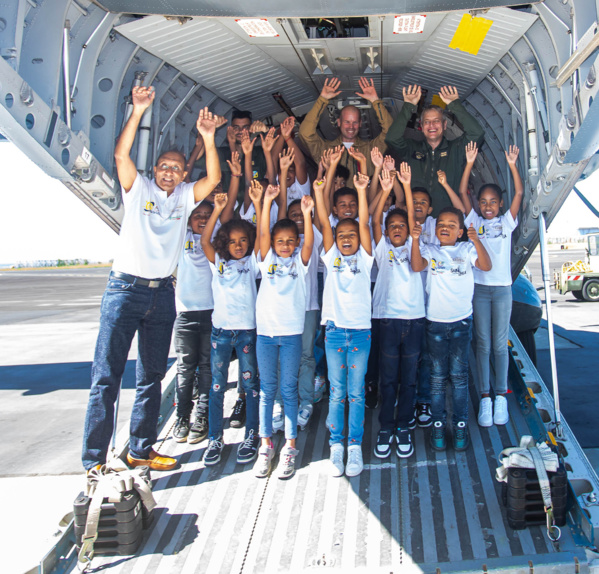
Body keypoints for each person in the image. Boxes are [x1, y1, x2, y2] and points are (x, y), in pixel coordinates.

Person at [82, 86, 221, 472]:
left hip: (162, 295)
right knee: (106, 377)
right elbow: (121, 155)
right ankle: (94, 460)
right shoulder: (138, 188)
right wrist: (139, 111)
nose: (170, 172)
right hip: (125, 289)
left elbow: (214, 176)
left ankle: (140, 449)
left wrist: (208, 139)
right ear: (155, 169)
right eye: (164, 166)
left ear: (182, 175)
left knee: (152, 376)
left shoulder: (186, 196)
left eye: (177, 168)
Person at [172, 152, 240, 445]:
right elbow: (179, 195)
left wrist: (217, 207)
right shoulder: (181, 235)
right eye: (197, 215)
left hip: (212, 313)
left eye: (206, 215)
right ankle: (182, 417)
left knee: (207, 368)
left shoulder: (214, 241)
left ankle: (201, 416)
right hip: (185, 314)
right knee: (185, 369)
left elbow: (218, 220)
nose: (201, 218)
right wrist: (196, 153)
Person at [411, 207, 492, 452]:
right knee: (436, 379)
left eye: (451, 225)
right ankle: (438, 425)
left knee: (458, 378)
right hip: (435, 322)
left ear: (459, 232)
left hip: (461, 323)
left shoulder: (466, 250)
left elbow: (486, 266)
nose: (444, 227)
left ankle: (459, 425)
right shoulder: (429, 249)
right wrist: (415, 240)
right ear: (435, 231)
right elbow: (416, 266)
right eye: (441, 224)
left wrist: (476, 241)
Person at [459, 142, 524, 427]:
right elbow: (463, 192)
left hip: (502, 289)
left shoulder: (507, 222)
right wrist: (469, 163)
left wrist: (512, 165)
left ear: (500, 204)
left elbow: (519, 192)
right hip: (479, 289)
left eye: (492, 202)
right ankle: (485, 396)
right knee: (482, 343)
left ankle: (501, 396)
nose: (487, 206)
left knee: (500, 344)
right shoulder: (474, 221)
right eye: (483, 202)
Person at [314, 172, 373, 478]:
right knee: (337, 393)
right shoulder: (330, 256)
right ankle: (336, 446)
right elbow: (325, 223)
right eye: (341, 236)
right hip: (335, 332)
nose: (347, 239)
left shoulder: (365, 259)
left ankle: (354, 446)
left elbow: (363, 224)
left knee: (357, 393)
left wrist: (362, 192)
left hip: (361, 332)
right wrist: (319, 192)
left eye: (351, 235)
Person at [254, 185, 314, 480]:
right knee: (268, 391)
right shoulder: (267, 262)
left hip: (291, 333)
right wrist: (265, 204)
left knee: (288, 391)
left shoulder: (299, 265)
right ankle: (265, 445)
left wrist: (306, 214)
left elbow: (309, 244)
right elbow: (262, 235)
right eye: (281, 241)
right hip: (265, 334)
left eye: (291, 241)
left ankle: (289, 446)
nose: (285, 245)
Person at [200, 190, 261, 466]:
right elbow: (204, 241)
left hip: (247, 331)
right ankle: (215, 438)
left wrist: (260, 203)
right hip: (221, 334)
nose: (238, 245)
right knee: (216, 386)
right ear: (224, 243)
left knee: (250, 385)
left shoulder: (253, 263)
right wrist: (218, 209)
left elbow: (263, 240)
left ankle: (252, 434)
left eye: (243, 240)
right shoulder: (219, 264)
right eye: (232, 241)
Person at [372, 165, 425, 459]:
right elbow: (373, 219)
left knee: (410, 379)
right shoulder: (382, 249)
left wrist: (405, 186)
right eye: (391, 226)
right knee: (389, 378)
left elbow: (417, 266)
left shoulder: (419, 247)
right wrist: (385, 190)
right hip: (389, 321)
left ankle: (403, 425)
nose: (396, 229)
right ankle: (386, 426)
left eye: (401, 226)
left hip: (414, 321)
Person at [385, 85, 484, 216]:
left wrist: (455, 105)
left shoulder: (456, 149)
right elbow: (392, 138)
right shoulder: (411, 148)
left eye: (436, 121)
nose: (431, 125)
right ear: (421, 126)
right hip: (415, 223)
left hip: (446, 224)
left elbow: (476, 133)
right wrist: (408, 106)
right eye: (427, 122)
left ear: (444, 125)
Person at [299, 77, 393, 186]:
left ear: (361, 123)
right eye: (347, 122)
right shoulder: (326, 150)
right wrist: (322, 99)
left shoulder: (371, 150)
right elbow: (305, 133)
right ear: (338, 122)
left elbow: (391, 132)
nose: (351, 127)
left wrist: (375, 101)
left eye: (355, 122)